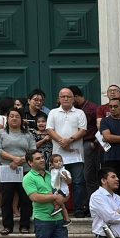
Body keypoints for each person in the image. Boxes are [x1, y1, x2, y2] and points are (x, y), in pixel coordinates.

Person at [23, 150, 76, 238]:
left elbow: (64, 192)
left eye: (42, 157)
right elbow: (35, 197)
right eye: (38, 158)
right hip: (42, 219)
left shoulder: (51, 174)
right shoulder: (28, 178)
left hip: (58, 217)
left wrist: (63, 198)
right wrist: (54, 197)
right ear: (30, 163)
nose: (42, 160)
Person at [45, 88, 89, 217]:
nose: (65, 98)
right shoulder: (53, 112)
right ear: (59, 99)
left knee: (78, 182)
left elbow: (83, 130)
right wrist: (61, 141)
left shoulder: (80, 113)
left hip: (76, 155)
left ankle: (79, 209)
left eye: (68, 96)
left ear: (73, 98)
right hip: (58, 156)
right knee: (56, 182)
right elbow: (49, 130)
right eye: (63, 96)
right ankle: (57, 207)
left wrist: (69, 140)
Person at [0, 109, 35, 235]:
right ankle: (7, 226)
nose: (14, 118)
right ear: (8, 119)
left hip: (25, 169)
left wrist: (20, 161)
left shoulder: (28, 134)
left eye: (17, 116)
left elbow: (32, 150)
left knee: (25, 198)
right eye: (11, 116)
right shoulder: (1, 133)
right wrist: (13, 159)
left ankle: (25, 225)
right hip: (7, 169)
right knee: (6, 199)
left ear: (21, 119)